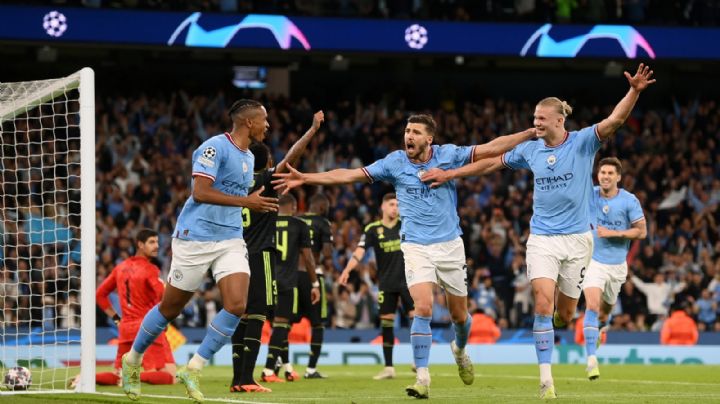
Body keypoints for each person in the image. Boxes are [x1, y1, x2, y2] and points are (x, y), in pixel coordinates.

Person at [420, 63, 656, 399]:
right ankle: (546, 380)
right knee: (542, 304)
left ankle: (559, 328)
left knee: (564, 313)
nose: (535, 123)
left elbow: (615, 121)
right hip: (542, 239)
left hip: (578, 240)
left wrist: (633, 90)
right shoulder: (530, 148)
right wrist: (449, 175)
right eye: (534, 118)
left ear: (559, 120)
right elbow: (490, 163)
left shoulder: (583, 142)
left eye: (541, 119)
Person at [273, 114, 536, 399]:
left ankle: (459, 349)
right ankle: (422, 377)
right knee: (422, 308)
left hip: (449, 245)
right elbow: (350, 175)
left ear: (429, 139)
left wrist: (530, 133)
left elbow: (490, 148)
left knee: (459, 316)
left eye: (415, 132)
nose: (408, 136)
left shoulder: (448, 155)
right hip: (414, 246)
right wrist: (307, 177)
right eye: (407, 131)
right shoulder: (395, 162)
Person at [121, 99, 279, 403]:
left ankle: (193, 367)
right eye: (264, 120)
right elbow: (201, 192)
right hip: (195, 237)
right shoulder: (214, 147)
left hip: (230, 239)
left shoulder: (248, 157)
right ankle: (132, 360)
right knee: (171, 308)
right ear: (249, 122)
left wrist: (249, 198)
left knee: (236, 305)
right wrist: (248, 201)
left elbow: (234, 195)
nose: (268, 125)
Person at [230, 111, 324, 393]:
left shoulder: (232, 183)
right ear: (267, 163)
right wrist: (312, 130)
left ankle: (237, 378)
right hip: (260, 255)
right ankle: (247, 378)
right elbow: (292, 158)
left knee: (239, 315)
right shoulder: (266, 180)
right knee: (258, 315)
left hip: (233, 254)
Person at [582, 157, 646, 380]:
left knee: (606, 311)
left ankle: (601, 328)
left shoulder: (629, 200)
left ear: (618, 177)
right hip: (592, 261)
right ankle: (591, 359)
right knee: (592, 304)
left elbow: (642, 231)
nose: (605, 176)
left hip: (617, 265)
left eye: (610, 173)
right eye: (602, 173)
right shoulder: (589, 193)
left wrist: (615, 234)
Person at [339, 192, 414, 380]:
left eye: (397, 205)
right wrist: (347, 270)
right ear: (382, 207)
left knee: (416, 320)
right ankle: (389, 368)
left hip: (409, 282)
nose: (395, 208)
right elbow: (359, 251)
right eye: (391, 204)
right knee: (387, 325)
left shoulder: (406, 224)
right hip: (387, 283)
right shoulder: (372, 229)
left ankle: (418, 361)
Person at [93, 229, 175, 387]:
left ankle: (86, 378)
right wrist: (164, 320)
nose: (157, 246)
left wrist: (116, 318)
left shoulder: (120, 268)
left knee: (117, 373)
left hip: (126, 329)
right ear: (140, 244)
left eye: (157, 242)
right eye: (152, 242)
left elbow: (100, 295)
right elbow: (164, 298)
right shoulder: (150, 270)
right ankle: (133, 377)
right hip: (147, 328)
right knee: (169, 376)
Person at [260, 194, 320, 383]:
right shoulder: (300, 225)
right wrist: (315, 283)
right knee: (281, 325)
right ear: (293, 206)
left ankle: (287, 367)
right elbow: (308, 258)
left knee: (277, 325)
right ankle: (269, 370)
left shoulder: (266, 223)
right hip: (287, 281)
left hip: (266, 279)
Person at [296, 194, 334, 379]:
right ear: (320, 207)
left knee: (284, 321)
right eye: (326, 206)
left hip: (291, 276)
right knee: (318, 323)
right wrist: (328, 264)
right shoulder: (323, 222)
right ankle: (311, 369)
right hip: (313, 276)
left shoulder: (296, 220)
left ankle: (279, 364)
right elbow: (327, 254)